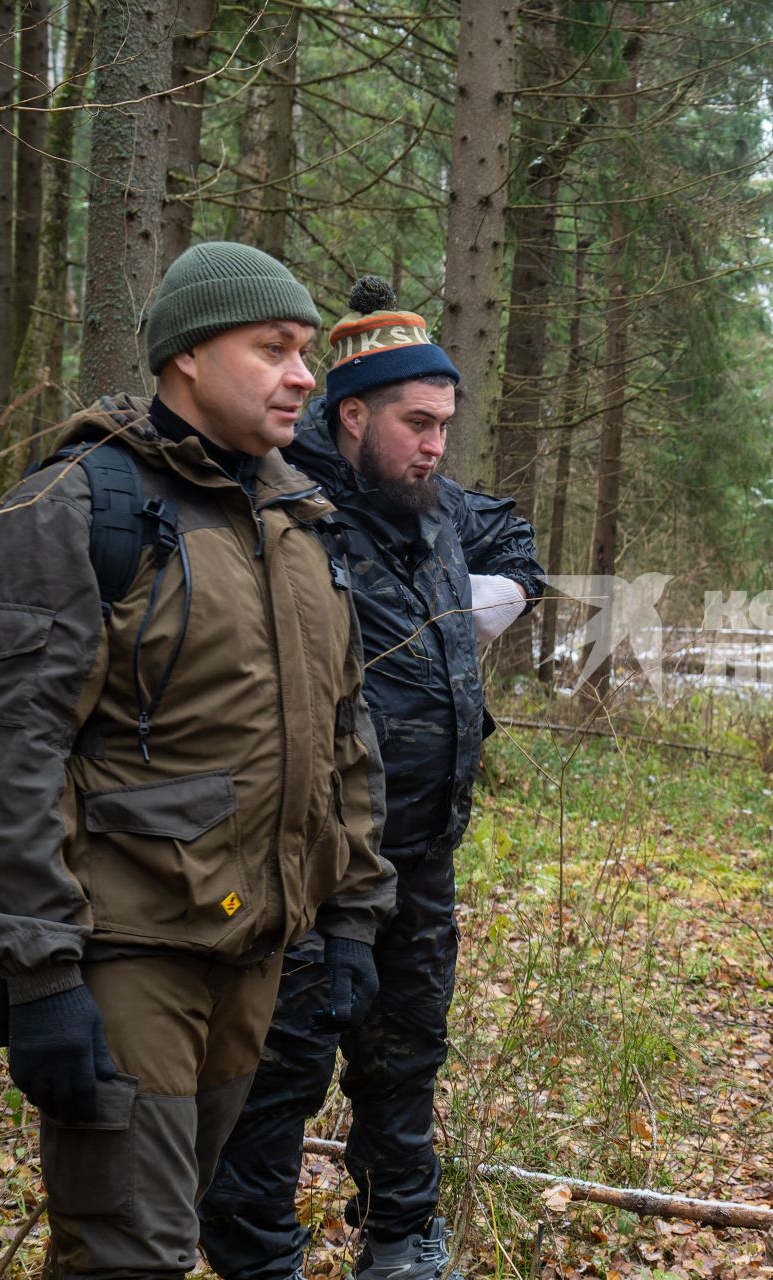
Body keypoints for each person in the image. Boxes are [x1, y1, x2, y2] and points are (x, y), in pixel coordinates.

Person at [0, 242, 395, 1279]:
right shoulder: (75, 506)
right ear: (187, 357)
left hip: (252, 956)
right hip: (120, 953)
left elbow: (346, 735)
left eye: (304, 352)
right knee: (128, 1252)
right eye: (273, 348)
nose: (303, 374)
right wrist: (40, 970)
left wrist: (352, 917)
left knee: (165, 1225)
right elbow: (2, 754)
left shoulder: (298, 521)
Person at [200, 276, 545, 1280]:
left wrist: (502, 592)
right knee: (282, 1068)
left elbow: (514, 532)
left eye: (446, 424)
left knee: (405, 1057)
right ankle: (259, 1255)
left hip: (421, 850)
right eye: (417, 423)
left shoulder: (430, 511)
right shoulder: (282, 509)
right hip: (302, 859)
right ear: (351, 415)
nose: (437, 445)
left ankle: (401, 1238)